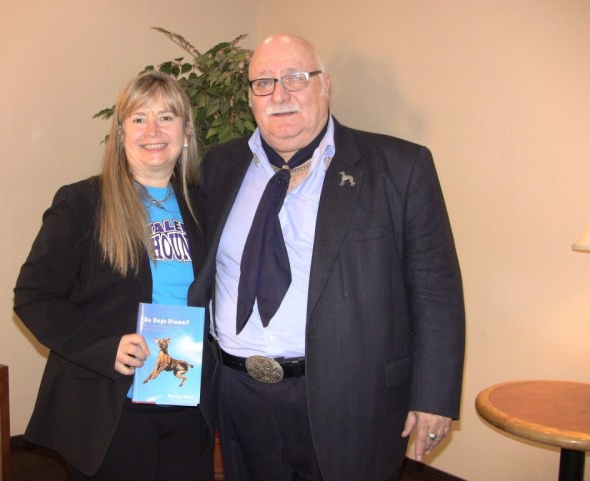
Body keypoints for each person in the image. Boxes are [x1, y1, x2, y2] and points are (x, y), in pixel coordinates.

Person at [193, 34, 466, 481]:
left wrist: (433, 397)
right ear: (250, 96)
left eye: (296, 78)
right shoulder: (220, 167)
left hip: (348, 398)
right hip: (237, 394)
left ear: (326, 86)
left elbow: (436, 292)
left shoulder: (400, 167)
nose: (279, 94)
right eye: (264, 82)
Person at [13, 71, 214, 481]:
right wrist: (105, 347)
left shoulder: (205, 207)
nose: (153, 130)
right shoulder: (83, 203)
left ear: (187, 131)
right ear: (121, 133)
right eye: (139, 119)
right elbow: (33, 297)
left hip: (187, 400)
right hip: (110, 404)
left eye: (167, 117)